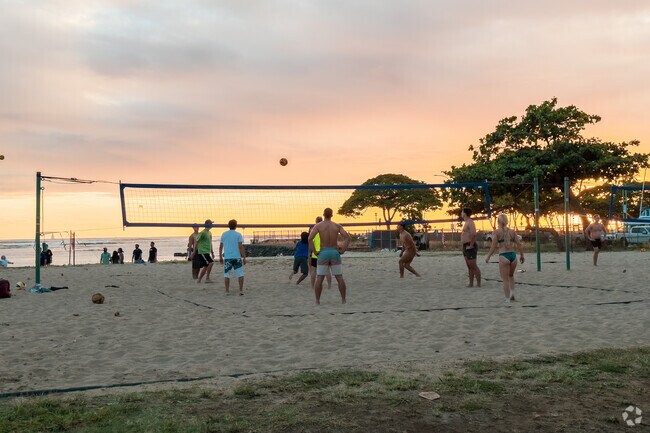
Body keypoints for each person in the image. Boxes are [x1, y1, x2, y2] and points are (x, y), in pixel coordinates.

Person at [308, 208, 351, 305]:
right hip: (334, 252)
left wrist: (315, 251)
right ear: (332, 215)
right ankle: (343, 300)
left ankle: (317, 301)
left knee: (320, 278)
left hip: (323, 252)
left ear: (323, 215)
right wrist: (343, 250)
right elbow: (348, 237)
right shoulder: (336, 226)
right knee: (339, 277)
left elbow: (310, 239)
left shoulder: (318, 226)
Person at [485, 214, 525, 304]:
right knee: (511, 276)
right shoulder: (512, 231)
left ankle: (507, 299)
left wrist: (488, 256)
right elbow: (519, 244)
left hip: (503, 256)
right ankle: (512, 295)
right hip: (513, 256)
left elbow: (493, 246)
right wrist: (522, 255)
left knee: (505, 279)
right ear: (506, 221)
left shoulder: (496, 232)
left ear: (498, 222)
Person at [219, 219, 246, 295]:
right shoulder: (238, 234)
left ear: (228, 225)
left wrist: (220, 257)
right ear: (236, 226)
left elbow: (221, 247)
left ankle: (227, 291)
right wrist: (244, 257)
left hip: (228, 258)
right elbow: (240, 247)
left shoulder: (224, 234)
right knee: (240, 274)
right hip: (237, 257)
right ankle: (240, 290)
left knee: (226, 274)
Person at [309, 216, 332, 290]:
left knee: (313, 270)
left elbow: (310, 242)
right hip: (324, 252)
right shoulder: (326, 230)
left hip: (315, 253)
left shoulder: (313, 231)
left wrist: (310, 252)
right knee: (327, 270)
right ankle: (329, 286)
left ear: (315, 222)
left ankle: (313, 286)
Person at [461, 208, 481, 287]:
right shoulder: (466, 222)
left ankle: (478, 283)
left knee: (473, 266)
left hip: (470, 245)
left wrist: (471, 245)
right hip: (465, 245)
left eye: (462, 212)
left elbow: (474, 234)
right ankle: (471, 283)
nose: (461, 214)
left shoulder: (470, 222)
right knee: (469, 266)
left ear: (465, 213)